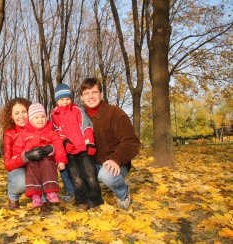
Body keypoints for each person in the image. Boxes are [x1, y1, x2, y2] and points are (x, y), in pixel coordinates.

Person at [79, 78, 141, 209]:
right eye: (86, 93)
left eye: (94, 92)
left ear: (101, 94)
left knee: (105, 175)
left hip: (114, 162)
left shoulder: (115, 113)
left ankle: (123, 193)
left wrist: (116, 159)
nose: (91, 97)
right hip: (91, 163)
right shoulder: (79, 116)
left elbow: (132, 142)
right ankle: (81, 196)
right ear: (81, 97)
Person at [50, 83, 104, 210]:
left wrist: (90, 143)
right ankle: (82, 201)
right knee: (77, 178)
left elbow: (86, 127)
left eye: (67, 99)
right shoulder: (53, 115)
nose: (65, 102)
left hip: (84, 149)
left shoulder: (78, 110)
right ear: (57, 100)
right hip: (69, 152)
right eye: (62, 99)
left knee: (90, 175)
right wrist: (65, 142)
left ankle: (95, 200)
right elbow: (56, 132)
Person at [12, 103, 68, 208]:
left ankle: (51, 192)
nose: (40, 120)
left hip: (46, 157)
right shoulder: (24, 133)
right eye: (36, 117)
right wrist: (21, 156)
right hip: (31, 159)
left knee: (48, 166)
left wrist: (60, 160)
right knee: (31, 171)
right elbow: (18, 148)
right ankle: (35, 196)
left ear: (46, 118)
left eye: (42, 117)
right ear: (31, 120)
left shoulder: (51, 132)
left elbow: (58, 146)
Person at [1, 98, 31, 210]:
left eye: (24, 112)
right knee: (21, 183)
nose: (21, 116)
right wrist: (25, 157)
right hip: (17, 166)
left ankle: (41, 197)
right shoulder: (9, 134)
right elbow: (7, 164)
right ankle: (13, 196)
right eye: (16, 113)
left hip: (34, 166)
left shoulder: (38, 129)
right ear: (11, 116)